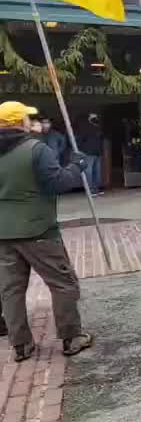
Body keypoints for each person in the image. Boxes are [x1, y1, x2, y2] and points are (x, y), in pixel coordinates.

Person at [0, 101, 94, 362]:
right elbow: (58, 183)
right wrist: (77, 166)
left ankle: (20, 345)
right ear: (20, 123)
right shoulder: (36, 149)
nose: (32, 122)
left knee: (11, 289)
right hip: (39, 229)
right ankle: (71, 336)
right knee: (62, 283)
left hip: (4, 233)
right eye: (28, 118)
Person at [77, 112, 104, 195]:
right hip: (88, 153)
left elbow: (100, 140)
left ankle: (96, 189)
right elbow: (80, 140)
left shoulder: (98, 128)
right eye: (93, 117)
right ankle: (90, 190)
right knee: (89, 171)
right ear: (89, 119)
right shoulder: (85, 128)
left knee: (96, 172)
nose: (95, 118)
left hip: (97, 153)